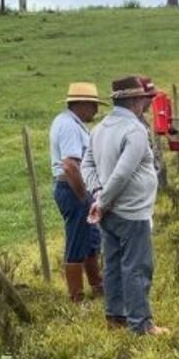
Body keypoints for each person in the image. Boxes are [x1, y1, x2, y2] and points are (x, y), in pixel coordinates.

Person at [82, 75, 168, 336]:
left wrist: (98, 194)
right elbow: (123, 172)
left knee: (114, 263)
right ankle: (140, 324)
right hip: (132, 209)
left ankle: (115, 316)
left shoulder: (100, 129)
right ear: (134, 100)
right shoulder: (134, 130)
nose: (145, 103)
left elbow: (87, 165)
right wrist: (103, 199)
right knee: (137, 267)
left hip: (109, 210)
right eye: (143, 99)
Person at [49, 82, 104, 302]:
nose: (96, 110)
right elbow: (70, 165)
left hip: (76, 186)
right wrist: (83, 196)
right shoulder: (69, 126)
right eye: (92, 105)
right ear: (81, 104)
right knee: (76, 240)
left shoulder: (70, 122)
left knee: (90, 238)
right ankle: (76, 296)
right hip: (72, 187)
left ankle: (97, 285)